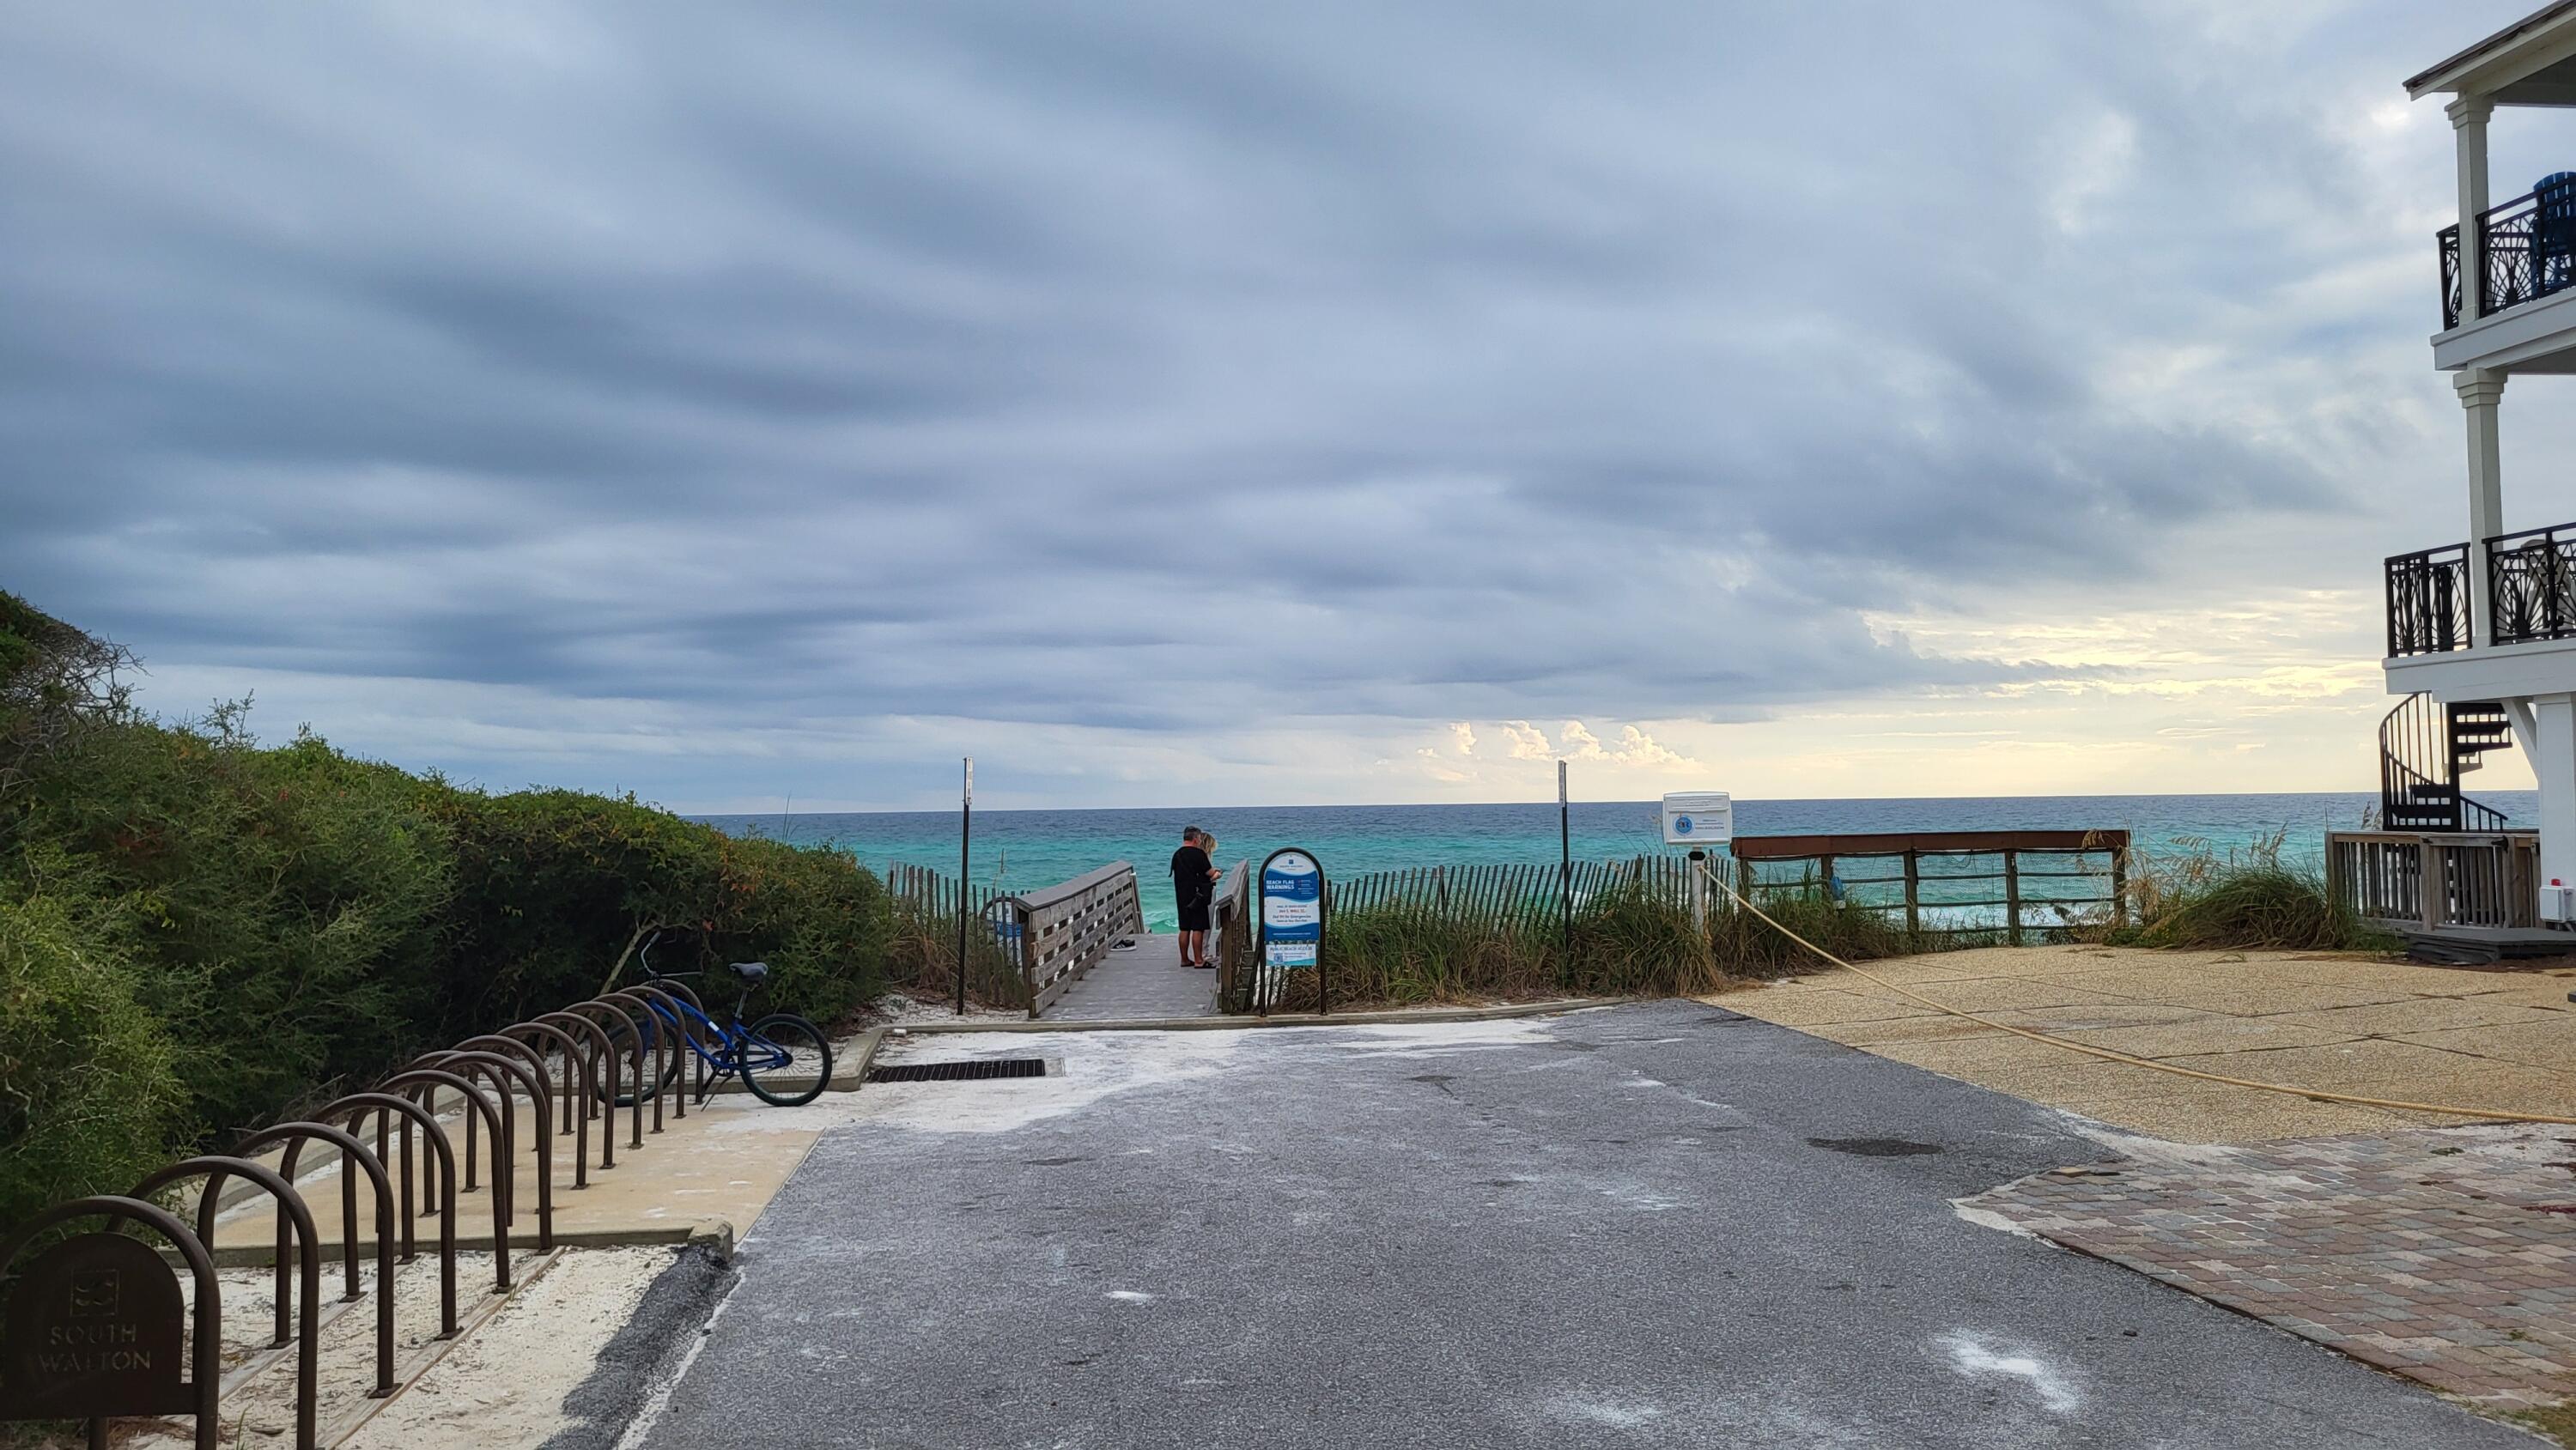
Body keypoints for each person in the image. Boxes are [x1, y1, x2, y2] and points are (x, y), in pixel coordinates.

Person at [1170, 826, 1216, 968]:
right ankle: (1199, 960)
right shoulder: (1198, 854)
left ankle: (1184, 959)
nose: (1200, 841)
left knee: (1184, 928)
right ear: (1196, 839)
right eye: (1200, 838)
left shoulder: (1177, 854)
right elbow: (1210, 873)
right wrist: (1217, 874)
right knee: (1198, 928)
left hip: (1181, 895)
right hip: (1197, 895)